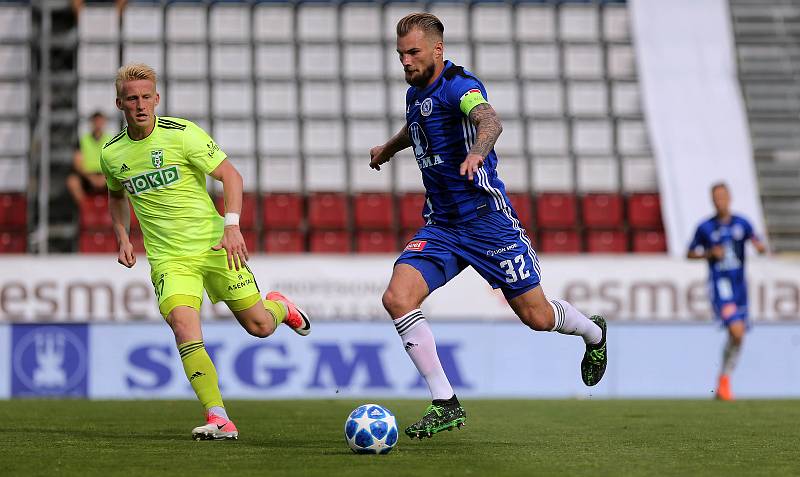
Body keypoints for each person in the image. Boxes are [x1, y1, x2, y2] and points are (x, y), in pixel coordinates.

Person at [369, 13, 608, 439]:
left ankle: (593, 332)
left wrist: (479, 152)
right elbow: (420, 124)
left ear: (437, 50)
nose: (405, 60)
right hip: (442, 225)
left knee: (535, 316)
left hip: (487, 223)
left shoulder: (461, 85)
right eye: (401, 53)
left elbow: (489, 120)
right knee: (397, 296)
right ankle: (445, 402)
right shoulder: (415, 92)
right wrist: (389, 147)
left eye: (413, 52)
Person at [99, 63, 311, 440]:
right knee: (183, 325)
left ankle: (281, 306)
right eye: (132, 98)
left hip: (215, 245)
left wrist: (232, 225)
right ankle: (218, 417)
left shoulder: (183, 135)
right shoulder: (112, 154)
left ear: (157, 98)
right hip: (169, 258)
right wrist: (122, 236)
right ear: (120, 103)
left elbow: (232, 176)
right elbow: (116, 195)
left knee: (260, 325)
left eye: (147, 97)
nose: (140, 105)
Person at [687, 182, 766, 401]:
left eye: (723, 196)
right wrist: (709, 253)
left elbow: (758, 242)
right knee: (737, 331)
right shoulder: (705, 227)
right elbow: (690, 252)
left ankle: (723, 381)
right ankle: (724, 382)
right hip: (721, 286)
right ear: (712, 201)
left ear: (729, 198)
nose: (720, 201)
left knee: (738, 337)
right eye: (716, 197)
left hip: (740, 287)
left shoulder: (743, 223)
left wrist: (760, 247)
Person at [67, 111, 112, 205]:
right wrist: (91, 178)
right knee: (72, 182)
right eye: (95, 121)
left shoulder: (111, 140)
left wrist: (104, 178)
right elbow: (77, 164)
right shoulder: (83, 140)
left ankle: (121, 212)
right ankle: (86, 209)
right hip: (87, 176)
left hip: (106, 176)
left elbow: (115, 162)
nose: (98, 124)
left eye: (100, 121)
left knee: (125, 180)